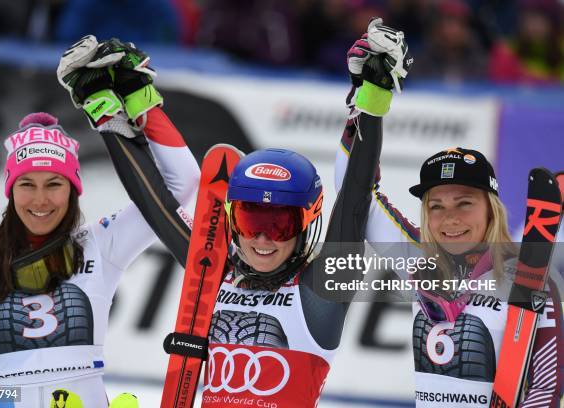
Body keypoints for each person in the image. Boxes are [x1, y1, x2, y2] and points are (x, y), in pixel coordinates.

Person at [57, 20, 410, 406]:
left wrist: (372, 99)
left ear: (306, 223)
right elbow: (157, 207)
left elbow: (356, 198)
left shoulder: (321, 292)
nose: (261, 238)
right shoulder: (216, 271)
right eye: (249, 221)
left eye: (278, 225)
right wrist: (116, 110)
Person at [336, 22, 564, 408]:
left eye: (465, 203)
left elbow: (547, 386)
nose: (450, 218)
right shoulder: (420, 264)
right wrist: (370, 100)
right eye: (436, 206)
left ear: (491, 210)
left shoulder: (531, 273)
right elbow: (357, 195)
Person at [0, 37, 200, 407]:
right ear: (11, 191)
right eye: (27, 185)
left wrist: (141, 99)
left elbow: (183, 184)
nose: (41, 200)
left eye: (55, 184)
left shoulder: (101, 243)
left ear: (74, 190)